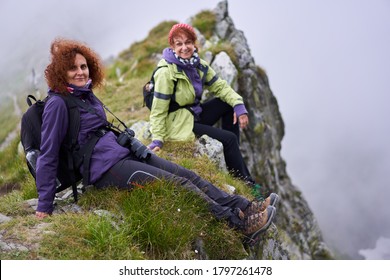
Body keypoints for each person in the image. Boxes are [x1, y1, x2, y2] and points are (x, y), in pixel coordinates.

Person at [35, 38, 278, 243]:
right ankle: (240, 225)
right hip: (104, 169)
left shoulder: (85, 95)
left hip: (121, 152)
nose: (81, 72)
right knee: (178, 185)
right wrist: (44, 206)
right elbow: (48, 154)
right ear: (61, 73)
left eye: (84, 66)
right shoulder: (58, 104)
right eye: (73, 69)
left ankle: (244, 207)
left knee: (187, 174)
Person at [147, 23, 266, 197]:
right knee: (230, 139)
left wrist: (238, 106)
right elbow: (158, 111)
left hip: (194, 114)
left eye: (188, 42)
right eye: (179, 44)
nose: (184, 47)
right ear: (172, 46)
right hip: (178, 123)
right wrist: (157, 140)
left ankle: (232, 155)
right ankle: (246, 184)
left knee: (226, 104)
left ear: (195, 43)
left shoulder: (197, 64)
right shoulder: (166, 73)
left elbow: (220, 87)